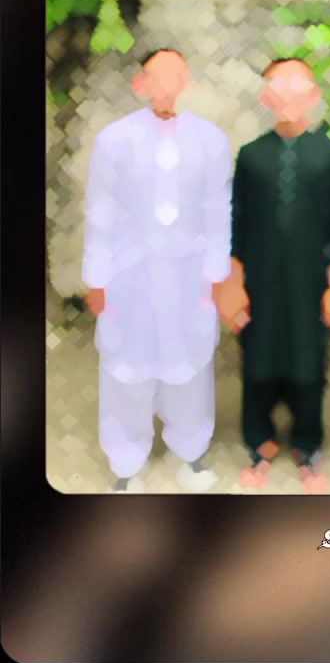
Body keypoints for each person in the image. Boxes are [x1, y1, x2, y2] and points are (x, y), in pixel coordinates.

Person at [82, 48, 232, 492]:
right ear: (140, 84)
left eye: (175, 76)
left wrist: (216, 273)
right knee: (125, 364)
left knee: (190, 363)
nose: (166, 85)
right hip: (129, 275)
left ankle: (192, 453)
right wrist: (97, 278)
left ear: (188, 83)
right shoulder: (114, 140)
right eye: (157, 76)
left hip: (190, 276)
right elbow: (100, 210)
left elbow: (217, 210)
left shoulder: (211, 140)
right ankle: (126, 463)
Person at [215, 58, 330, 493]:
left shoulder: (327, 154)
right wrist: (233, 283)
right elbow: (237, 223)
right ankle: (260, 444)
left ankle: (307, 447)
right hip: (261, 279)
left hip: (311, 280)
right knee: (258, 360)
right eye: (279, 85)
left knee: (310, 362)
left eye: (298, 86)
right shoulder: (252, 155)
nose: (289, 95)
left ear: (313, 94)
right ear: (266, 95)